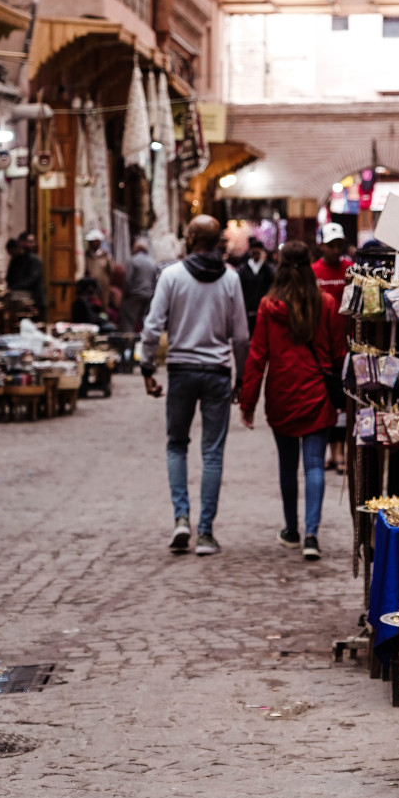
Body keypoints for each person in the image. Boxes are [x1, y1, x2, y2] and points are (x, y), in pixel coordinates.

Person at [140, 215, 249, 557]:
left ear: (188, 238)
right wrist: (241, 376)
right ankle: (205, 532)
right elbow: (242, 335)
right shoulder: (230, 279)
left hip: (182, 371)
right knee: (212, 453)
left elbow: (153, 324)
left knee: (176, 445)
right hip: (217, 372)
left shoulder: (171, 276)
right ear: (217, 241)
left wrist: (146, 366)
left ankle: (181, 518)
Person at [239, 240, 345, 561]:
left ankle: (291, 529)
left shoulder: (270, 306)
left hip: (282, 392)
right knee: (314, 465)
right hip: (317, 392)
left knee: (288, 466)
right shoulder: (325, 304)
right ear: (310, 264)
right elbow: (339, 352)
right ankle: (312, 534)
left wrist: (248, 402)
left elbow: (257, 357)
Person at [311, 224, 353, 473]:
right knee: (327, 400)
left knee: (343, 400)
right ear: (322, 245)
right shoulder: (314, 271)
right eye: (331, 244)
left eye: (339, 244)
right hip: (322, 344)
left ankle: (341, 452)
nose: (336, 249)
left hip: (346, 343)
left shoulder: (349, 269)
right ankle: (331, 451)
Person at [118, 238, 158, 333]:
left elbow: (128, 280)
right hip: (148, 295)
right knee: (144, 321)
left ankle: (128, 344)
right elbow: (154, 281)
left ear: (136, 248)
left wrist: (124, 297)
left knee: (128, 321)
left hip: (134, 295)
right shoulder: (152, 263)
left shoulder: (133, 261)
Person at [6, 231, 46, 320]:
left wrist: (15, 287)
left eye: (33, 242)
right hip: (20, 300)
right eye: (30, 242)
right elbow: (9, 278)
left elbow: (32, 279)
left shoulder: (34, 260)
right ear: (21, 242)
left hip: (35, 300)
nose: (34, 244)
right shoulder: (15, 260)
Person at [237, 236, 274, 332]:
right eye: (254, 252)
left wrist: (264, 263)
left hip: (264, 309)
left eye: (258, 252)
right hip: (247, 309)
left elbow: (273, 281)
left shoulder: (267, 269)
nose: (255, 255)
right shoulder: (243, 269)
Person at [84, 230, 112, 305]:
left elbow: (111, 271)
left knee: (103, 306)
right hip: (89, 288)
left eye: (93, 241)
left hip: (103, 288)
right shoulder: (86, 256)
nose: (90, 244)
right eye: (90, 242)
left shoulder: (105, 256)